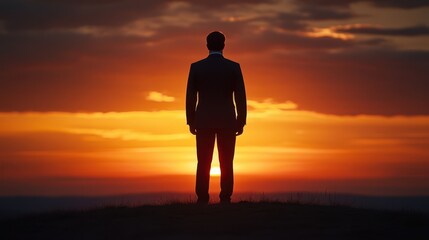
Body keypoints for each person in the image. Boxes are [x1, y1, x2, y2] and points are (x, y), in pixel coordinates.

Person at [186, 31, 247, 204]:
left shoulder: (196, 67)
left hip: (203, 120)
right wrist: (240, 121)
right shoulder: (233, 67)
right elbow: (240, 96)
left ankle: (202, 197)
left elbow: (191, 96)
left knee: (203, 161)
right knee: (226, 161)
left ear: (207, 46)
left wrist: (191, 120)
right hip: (227, 120)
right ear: (224, 45)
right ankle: (225, 197)